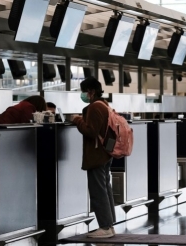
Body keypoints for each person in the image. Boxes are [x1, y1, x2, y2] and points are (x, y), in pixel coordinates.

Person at [72, 76, 116, 238]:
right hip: (105, 152)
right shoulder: (104, 105)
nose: (83, 95)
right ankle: (109, 225)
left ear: (90, 91)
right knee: (105, 188)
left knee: (98, 191)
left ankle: (105, 227)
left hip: (97, 154)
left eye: (84, 91)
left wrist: (77, 120)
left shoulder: (95, 107)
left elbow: (91, 131)